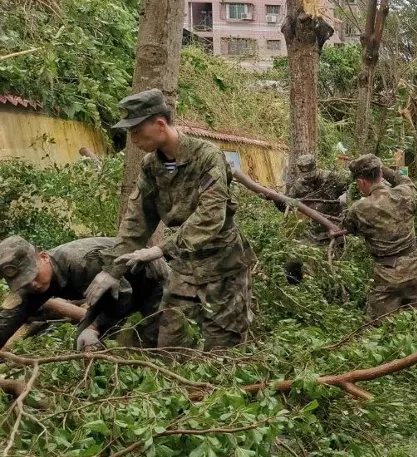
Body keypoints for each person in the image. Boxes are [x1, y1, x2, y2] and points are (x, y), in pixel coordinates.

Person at [87, 88, 256, 351]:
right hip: (184, 268)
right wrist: (112, 270)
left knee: (224, 352)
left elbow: (210, 217)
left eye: (135, 131)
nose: (131, 139)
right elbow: (137, 219)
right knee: (171, 345)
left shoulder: (207, 156)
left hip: (223, 266)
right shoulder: (152, 166)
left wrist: (158, 250)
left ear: (159, 124)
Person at [0, 236, 167, 351]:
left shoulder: (82, 262)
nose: (33, 285)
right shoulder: (31, 287)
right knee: (82, 344)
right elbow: (6, 321)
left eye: (33, 276)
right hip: (109, 296)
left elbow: (122, 295)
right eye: (24, 283)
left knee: (144, 345)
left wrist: (95, 327)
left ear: (44, 257)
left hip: (151, 282)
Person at [342, 154, 417, 319]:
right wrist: (385, 170)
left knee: (379, 330)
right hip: (416, 270)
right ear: (381, 173)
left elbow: (349, 227)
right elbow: (404, 180)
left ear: (361, 182)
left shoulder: (360, 208)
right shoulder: (404, 193)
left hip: (387, 278)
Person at [276, 154, 350, 284]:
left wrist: (345, 197)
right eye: (306, 177)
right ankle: (301, 286)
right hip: (314, 232)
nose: (308, 180)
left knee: (336, 266)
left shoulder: (331, 178)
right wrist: (276, 200)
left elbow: (351, 189)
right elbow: (287, 205)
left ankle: (336, 287)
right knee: (296, 260)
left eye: (311, 175)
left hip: (335, 228)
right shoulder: (299, 185)